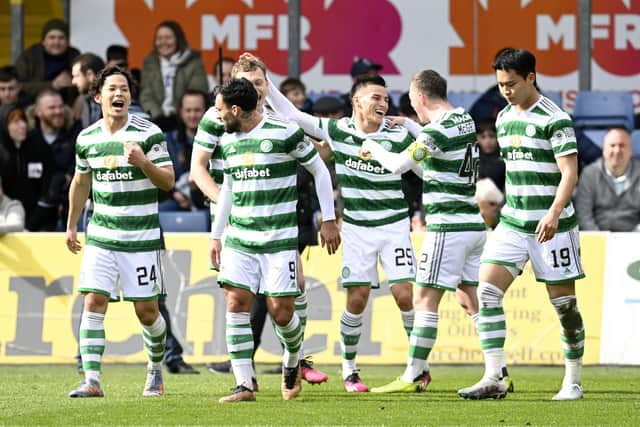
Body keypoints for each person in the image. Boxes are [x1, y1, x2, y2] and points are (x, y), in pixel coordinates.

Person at [266, 67, 417, 392]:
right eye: (376, 97)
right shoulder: (338, 131)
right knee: (357, 299)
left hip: (394, 226)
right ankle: (349, 371)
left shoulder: (398, 135)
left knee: (404, 296)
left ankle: (418, 367)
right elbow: (292, 113)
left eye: (386, 98)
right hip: (359, 229)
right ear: (356, 101)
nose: (383, 103)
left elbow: (422, 170)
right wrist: (264, 81)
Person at [192, 57, 331, 385]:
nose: (255, 90)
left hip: (282, 222)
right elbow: (212, 176)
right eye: (248, 84)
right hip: (238, 227)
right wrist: (221, 227)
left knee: (284, 304)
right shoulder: (219, 124)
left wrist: (328, 216)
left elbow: (319, 160)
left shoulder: (283, 124)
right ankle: (244, 380)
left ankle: (295, 357)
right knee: (237, 300)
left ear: (267, 86)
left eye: (259, 83)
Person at [458, 48, 585, 401]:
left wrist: (554, 212)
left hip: (553, 226)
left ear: (531, 77)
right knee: (485, 292)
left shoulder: (555, 118)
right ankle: (494, 375)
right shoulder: (502, 118)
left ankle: (573, 379)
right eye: (500, 84)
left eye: (511, 83)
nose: (505, 90)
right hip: (514, 222)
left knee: (565, 309)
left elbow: (569, 172)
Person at [358, 69, 489, 394]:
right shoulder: (464, 120)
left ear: (419, 98)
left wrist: (371, 146)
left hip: (449, 226)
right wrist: (411, 126)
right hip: (474, 225)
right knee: (472, 299)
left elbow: (398, 165)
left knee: (424, 299)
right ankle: (497, 370)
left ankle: (414, 373)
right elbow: (434, 154)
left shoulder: (438, 130)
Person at [65, 65, 174, 398]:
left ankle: (155, 369)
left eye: (124, 89)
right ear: (98, 96)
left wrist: (143, 162)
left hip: (141, 238)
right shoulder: (88, 138)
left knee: (147, 312)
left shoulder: (148, 133)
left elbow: (168, 181)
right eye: (112, 89)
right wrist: (71, 224)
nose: (119, 94)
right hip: (102, 236)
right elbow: (81, 182)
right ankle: (92, 380)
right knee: (94, 301)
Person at [26, 88, 80, 230]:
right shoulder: (28, 140)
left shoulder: (76, 135)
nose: (58, 111)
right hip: (35, 219)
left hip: (70, 217)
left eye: (61, 106)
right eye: (52, 108)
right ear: (38, 111)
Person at [140, 21, 209, 131]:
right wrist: (158, 116)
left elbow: (197, 92)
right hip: (156, 120)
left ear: (178, 39)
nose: (163, 42)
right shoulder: (149, 62)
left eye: (168, 38)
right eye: (159, 38)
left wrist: (178, 116)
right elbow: (146, 95)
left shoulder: (194, 62)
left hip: (185, 122)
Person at [0, 104, 54, 230]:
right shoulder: (2, 152)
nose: (23, 126)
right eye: (15, 122)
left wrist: (35, 220)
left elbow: (50, 182)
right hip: (7, 218)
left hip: (40, 220)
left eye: (23, 120)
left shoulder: (38, 146)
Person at [575, 127, 640, 231]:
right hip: (597, 240)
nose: (617, 150)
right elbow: (583, 215)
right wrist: (598, 240)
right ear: (604, 150)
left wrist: (633, 239)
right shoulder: (589, 173)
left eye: (622, 145)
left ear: (630, 150)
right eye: (612, 145)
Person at [161, 90, 209, 211]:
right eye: (188, 110)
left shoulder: (217, 140)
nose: (192, 115)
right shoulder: (168, 140)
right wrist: (173, 193)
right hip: (176, 199)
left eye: (197, 110)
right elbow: (162, 175)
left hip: (209, 200)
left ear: (206, 112)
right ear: (181, 112)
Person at [14, 19, 79, 101]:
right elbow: (19, 85)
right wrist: (52, 85)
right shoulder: (29, 56)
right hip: (33, 103)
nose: (56, 42)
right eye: (52, 38)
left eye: (61, 38)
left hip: (68, 104)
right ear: (43, 41)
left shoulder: (74, 55)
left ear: (68, 41)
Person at [71, 53, 105, 128]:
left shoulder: (112, 100)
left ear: (90, 75)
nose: (73, 81)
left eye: (77, 76)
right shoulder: (86, 100)